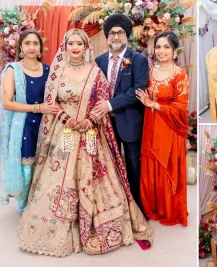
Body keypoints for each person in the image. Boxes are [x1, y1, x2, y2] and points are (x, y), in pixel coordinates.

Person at [17, 29, 153, 257]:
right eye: (71, 43)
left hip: (90, 133)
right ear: (65, 46)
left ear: (86, 46)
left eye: (80, 43)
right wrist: (66, 118)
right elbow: (51, 102)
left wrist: (90, 120)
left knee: (97, 180)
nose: (75, 47)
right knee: (57, 178)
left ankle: (97, 222)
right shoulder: (57, 71)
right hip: (64, 132)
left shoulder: (95, 72)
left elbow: (103, 102)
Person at [92, 13, 150, 213]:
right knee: (109, 165)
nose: (116, 36)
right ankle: (115, 205)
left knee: (134, 166)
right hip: (105, 123)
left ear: (127, 36)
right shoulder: (99, 61)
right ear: (107, 37)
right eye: (112, 33)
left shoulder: (138, 60)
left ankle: (136, 207)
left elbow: (138, 90)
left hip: (130, 121)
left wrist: (109, 104)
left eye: (120, 32)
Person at [136, 31, 189, 226]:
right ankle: (152, 207)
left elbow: (181, 107)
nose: (161, 51)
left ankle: (169, 209)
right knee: (150, 166)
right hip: (150, 125)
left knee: (166, 166)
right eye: (158, 46)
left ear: (175, 50)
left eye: (166, 47)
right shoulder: (148, 71)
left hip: (169, 128)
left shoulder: (180, 75)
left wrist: (153, 104)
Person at [0, 29, 54, 212]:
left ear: (40, 48)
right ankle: (25, 207)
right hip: (23, 126)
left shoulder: (48, 70)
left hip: (45, 125)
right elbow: (7, 103)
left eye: (35, 43)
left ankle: (40, 205)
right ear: (21, 47)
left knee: (43, 165)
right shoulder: (13, 70)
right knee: (26, 166)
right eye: (27, 43)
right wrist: (37, 108)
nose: (32, 47)